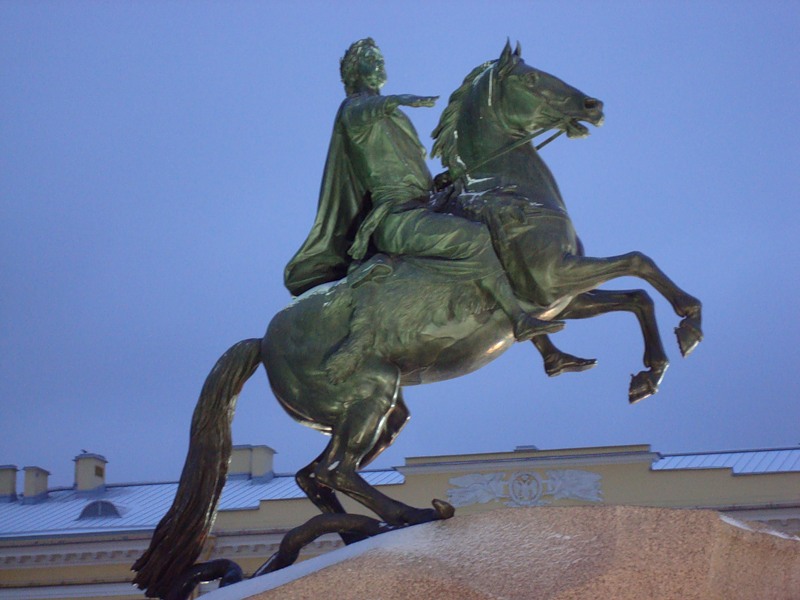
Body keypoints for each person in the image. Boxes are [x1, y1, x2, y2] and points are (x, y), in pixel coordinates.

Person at [284, 38, 559, 341]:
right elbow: (361, 111)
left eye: (380, 59)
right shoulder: (355, 111)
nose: (379, 64)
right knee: (476, 238)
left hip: (421, 207)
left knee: (497, 221)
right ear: (354, 72)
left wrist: (436, 183)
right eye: (370, 60)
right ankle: (519, 321)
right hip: (397, 219)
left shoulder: (391, 117)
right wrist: (396, 99)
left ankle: (546, 347)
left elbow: (408, 171)